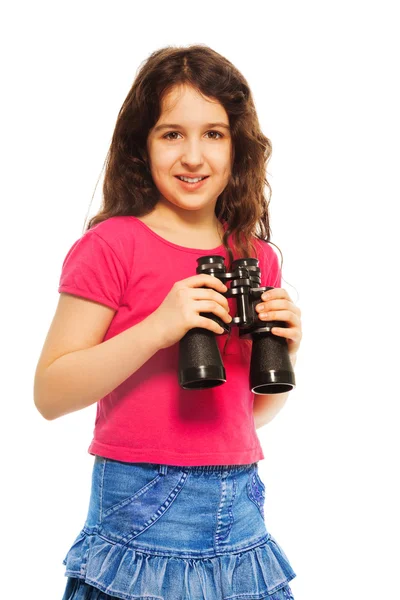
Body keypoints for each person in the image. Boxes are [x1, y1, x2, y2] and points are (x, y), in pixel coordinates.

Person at [34, 44, 302, 600]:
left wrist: (286, 353)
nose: (193, 156)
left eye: (214, 133)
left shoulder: (255, 257)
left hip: (241, 510)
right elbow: (50, 394)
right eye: (171, 133)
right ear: (142, 144)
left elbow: (250, 418)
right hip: (139, 505)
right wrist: (159, 328)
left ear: (238, 147)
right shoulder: (110, 246)